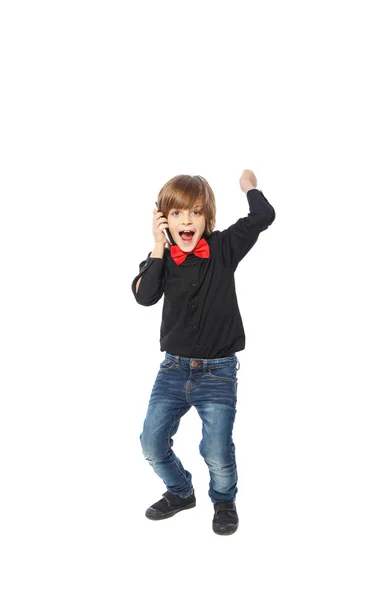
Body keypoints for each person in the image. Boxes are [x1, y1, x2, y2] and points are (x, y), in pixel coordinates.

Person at [131, 169, 275, 535]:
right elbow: (144, 296)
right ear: (165, 220)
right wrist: (158, 245)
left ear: (207, 219)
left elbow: (263, 217)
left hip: (219, 372)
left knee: (216, 449)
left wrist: (249, 188)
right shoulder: (159, 261)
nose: (186, 220)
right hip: (173, 370)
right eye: (176, 214)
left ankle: (224, 499)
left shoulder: (225, 247)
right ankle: (180, 492)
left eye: (195, 212)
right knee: (150, 441)